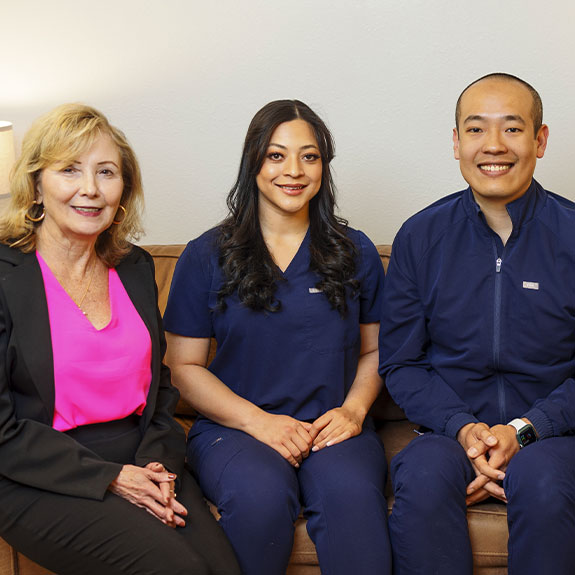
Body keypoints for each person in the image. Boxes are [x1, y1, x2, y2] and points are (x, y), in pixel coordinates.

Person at [0, 104, 240, 575]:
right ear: (36, 184)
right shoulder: (6, 275)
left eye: (105, 172)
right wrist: (114, 480)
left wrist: (155, 467)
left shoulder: (133, 267)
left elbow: (161, 390)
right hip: (36, 468)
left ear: (123, 189)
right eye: (69, 169)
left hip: (139, 454)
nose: (90, 188)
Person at [164, 100, 391, 575]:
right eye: (276, 155)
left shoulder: (357, 252)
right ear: (254, 162)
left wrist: (352, 411)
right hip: (236, 430)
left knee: (351, 499)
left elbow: (376, 351)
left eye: (309, 156)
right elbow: (183, 368)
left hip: (334, 427)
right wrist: (258, 422)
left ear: (324, 167)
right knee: (260, 499)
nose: (294, 170)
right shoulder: (205, 254)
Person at [379, 72, 575, 574]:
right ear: (455, 142)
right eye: (475, 130)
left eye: (512, 129)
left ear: (541, 139)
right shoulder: (420, 237)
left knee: (544, 483)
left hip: (553, 436)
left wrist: (525, 432)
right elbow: (401, 362)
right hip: (448, 432)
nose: (493, 146)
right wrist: (465, 430)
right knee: (421, 481)